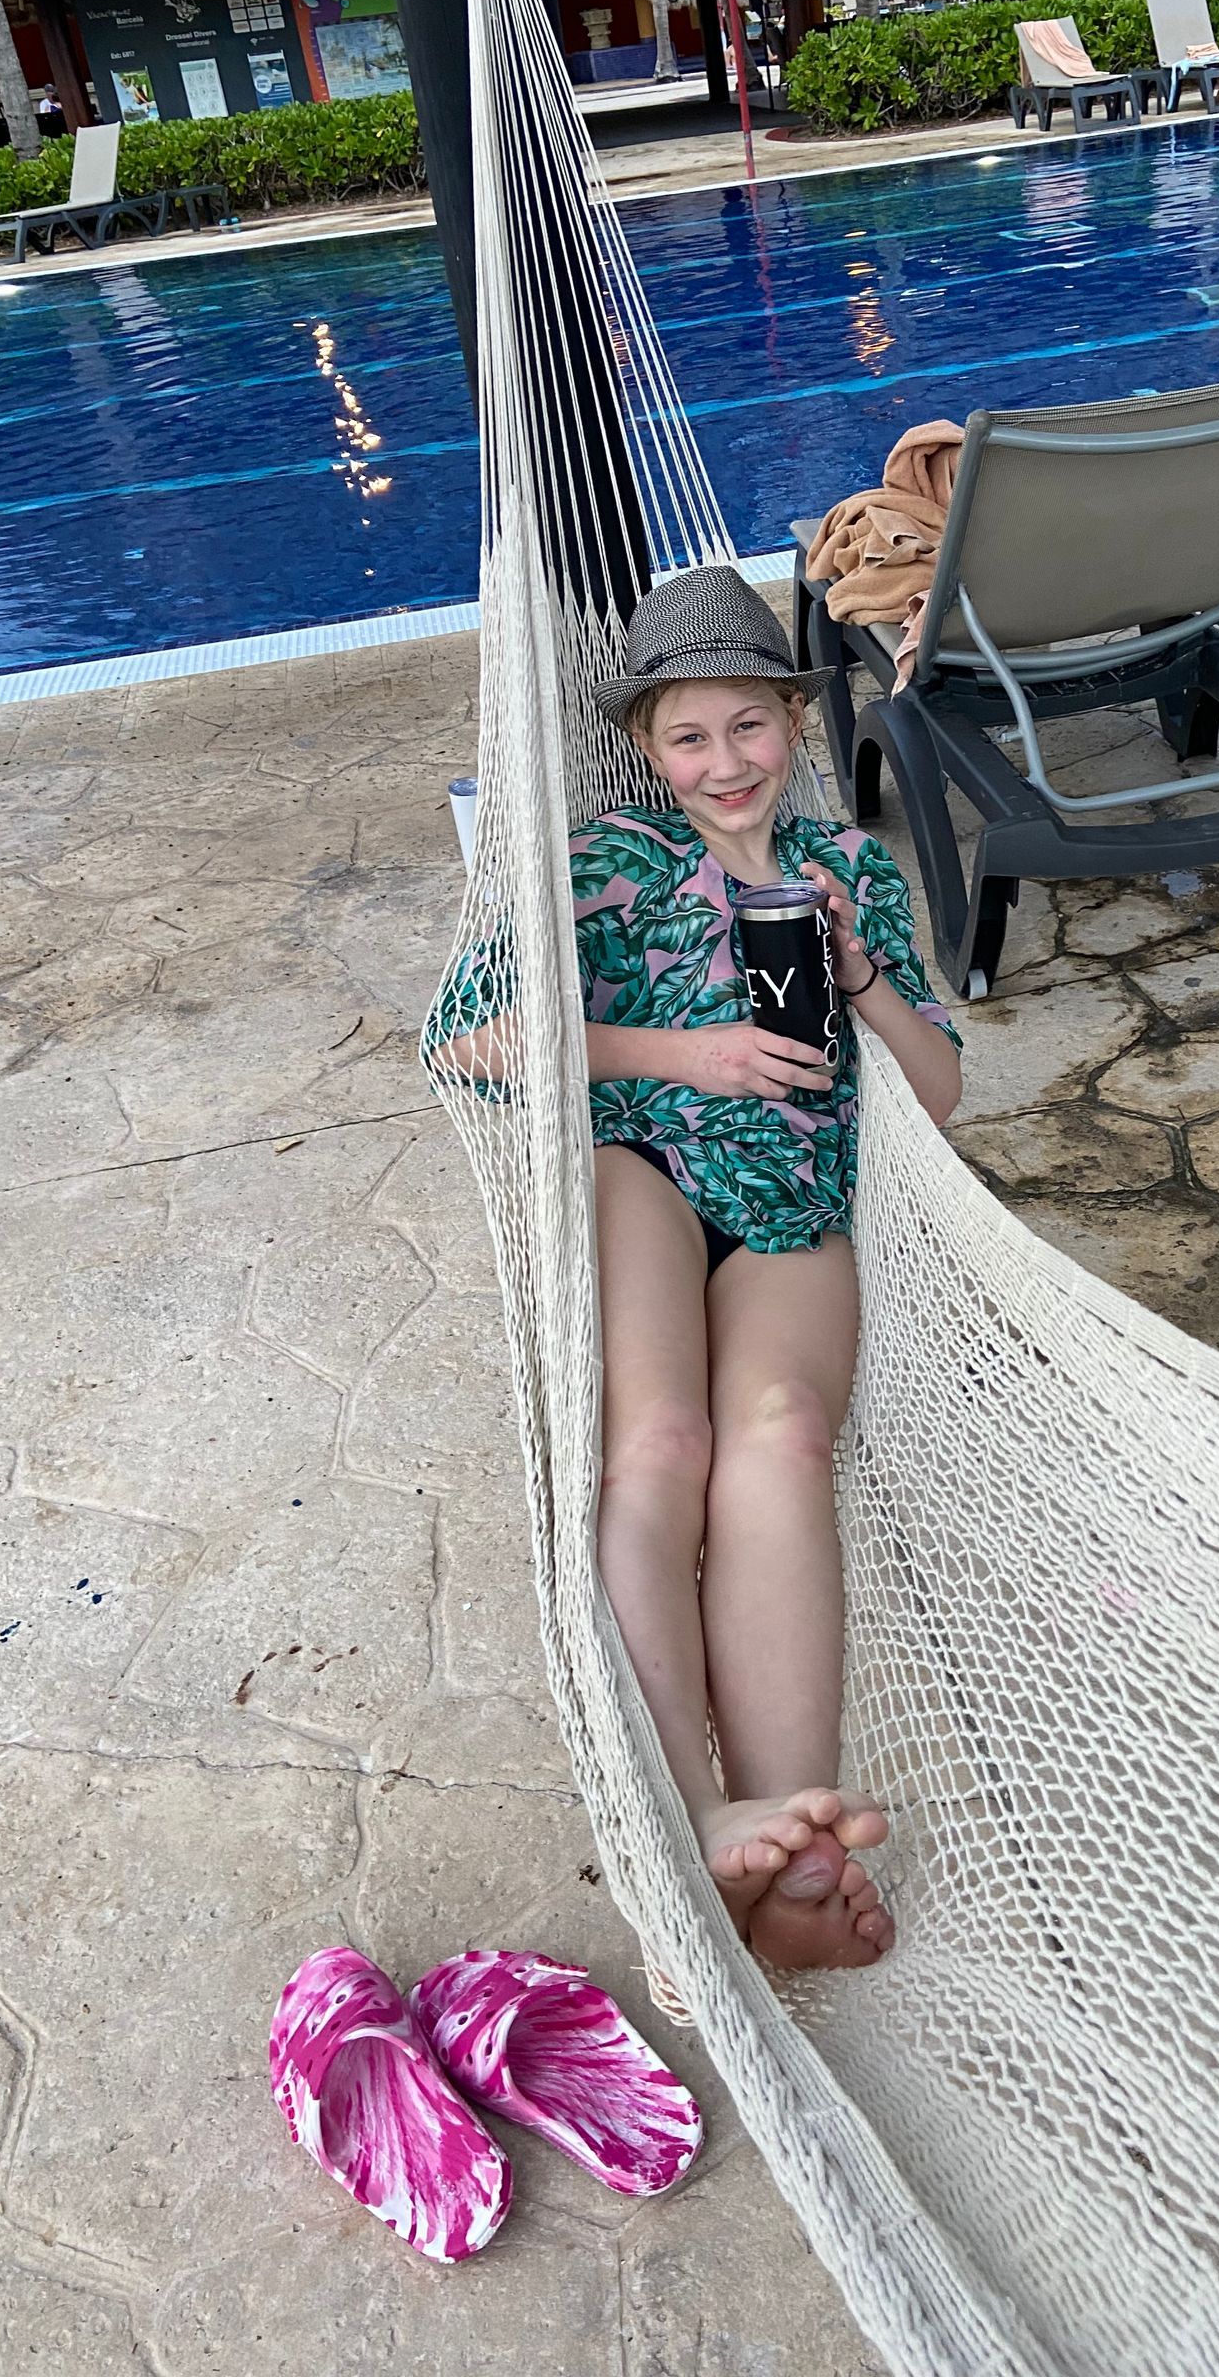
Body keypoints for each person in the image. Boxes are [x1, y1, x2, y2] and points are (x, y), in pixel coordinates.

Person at [429, 567, 963, 1971]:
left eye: (749, 726)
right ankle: (692, 1805)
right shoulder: (606, 861)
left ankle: (787, 1837)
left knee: (779, 1439)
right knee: (663, 1440)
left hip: (792, 1198)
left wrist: (860, 981)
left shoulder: (850, 872)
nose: (723, 765)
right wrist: (690, 1056)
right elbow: (468, 1040)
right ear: (649, 750)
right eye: (687, 739)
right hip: (644, 1164)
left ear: (794, 719)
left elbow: (943, 1089)